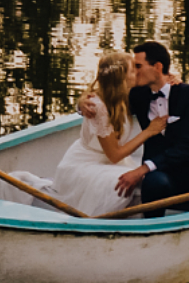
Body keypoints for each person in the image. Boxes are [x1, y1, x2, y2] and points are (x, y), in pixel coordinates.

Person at [114, 41, 189, 215]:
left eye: (138, 66)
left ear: (157, 67)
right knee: (153, 184)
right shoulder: (137, 95)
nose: (135, 72)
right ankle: (151, 231)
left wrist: (142, 169)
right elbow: (106, 102)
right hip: (161, 169)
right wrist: (82, 105)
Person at [39, 52, 157, 215]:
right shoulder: (97, 106)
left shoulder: (124, 94)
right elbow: (114, 155)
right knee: (123, 182)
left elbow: (159, 83)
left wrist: (173, 79)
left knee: (144, 177)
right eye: (132, 70)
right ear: (120, 78)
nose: (137, 73)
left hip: (109, 162)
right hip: (86, 165)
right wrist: (149, 131)